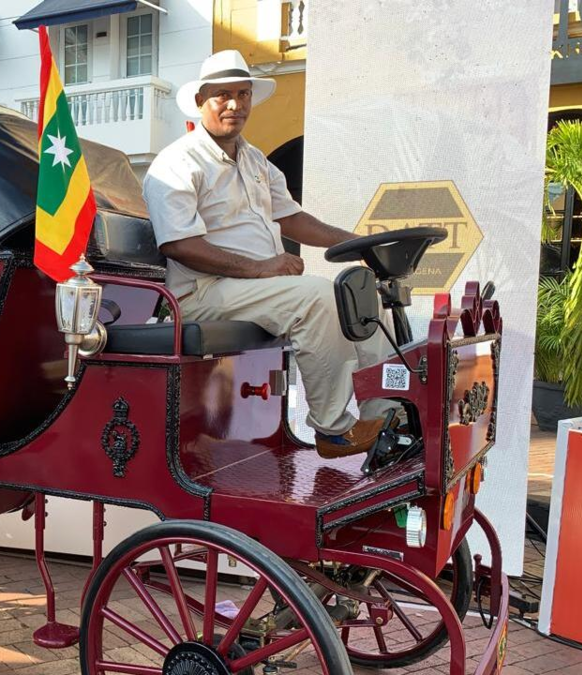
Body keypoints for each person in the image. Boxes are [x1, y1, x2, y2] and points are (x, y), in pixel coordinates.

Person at [142, 50, 395, 458]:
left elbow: (292, 218)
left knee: (363, 296)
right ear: (200, 101)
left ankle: (386, 416)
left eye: (242, 94)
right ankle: (332, 430)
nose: (235, 104)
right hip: (201, 294)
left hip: (248, 288)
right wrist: (263, 269)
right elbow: (178, 245)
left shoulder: (255, 158)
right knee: (319, 298)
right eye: (222, 95)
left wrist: (362, 244)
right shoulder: (178, 161)